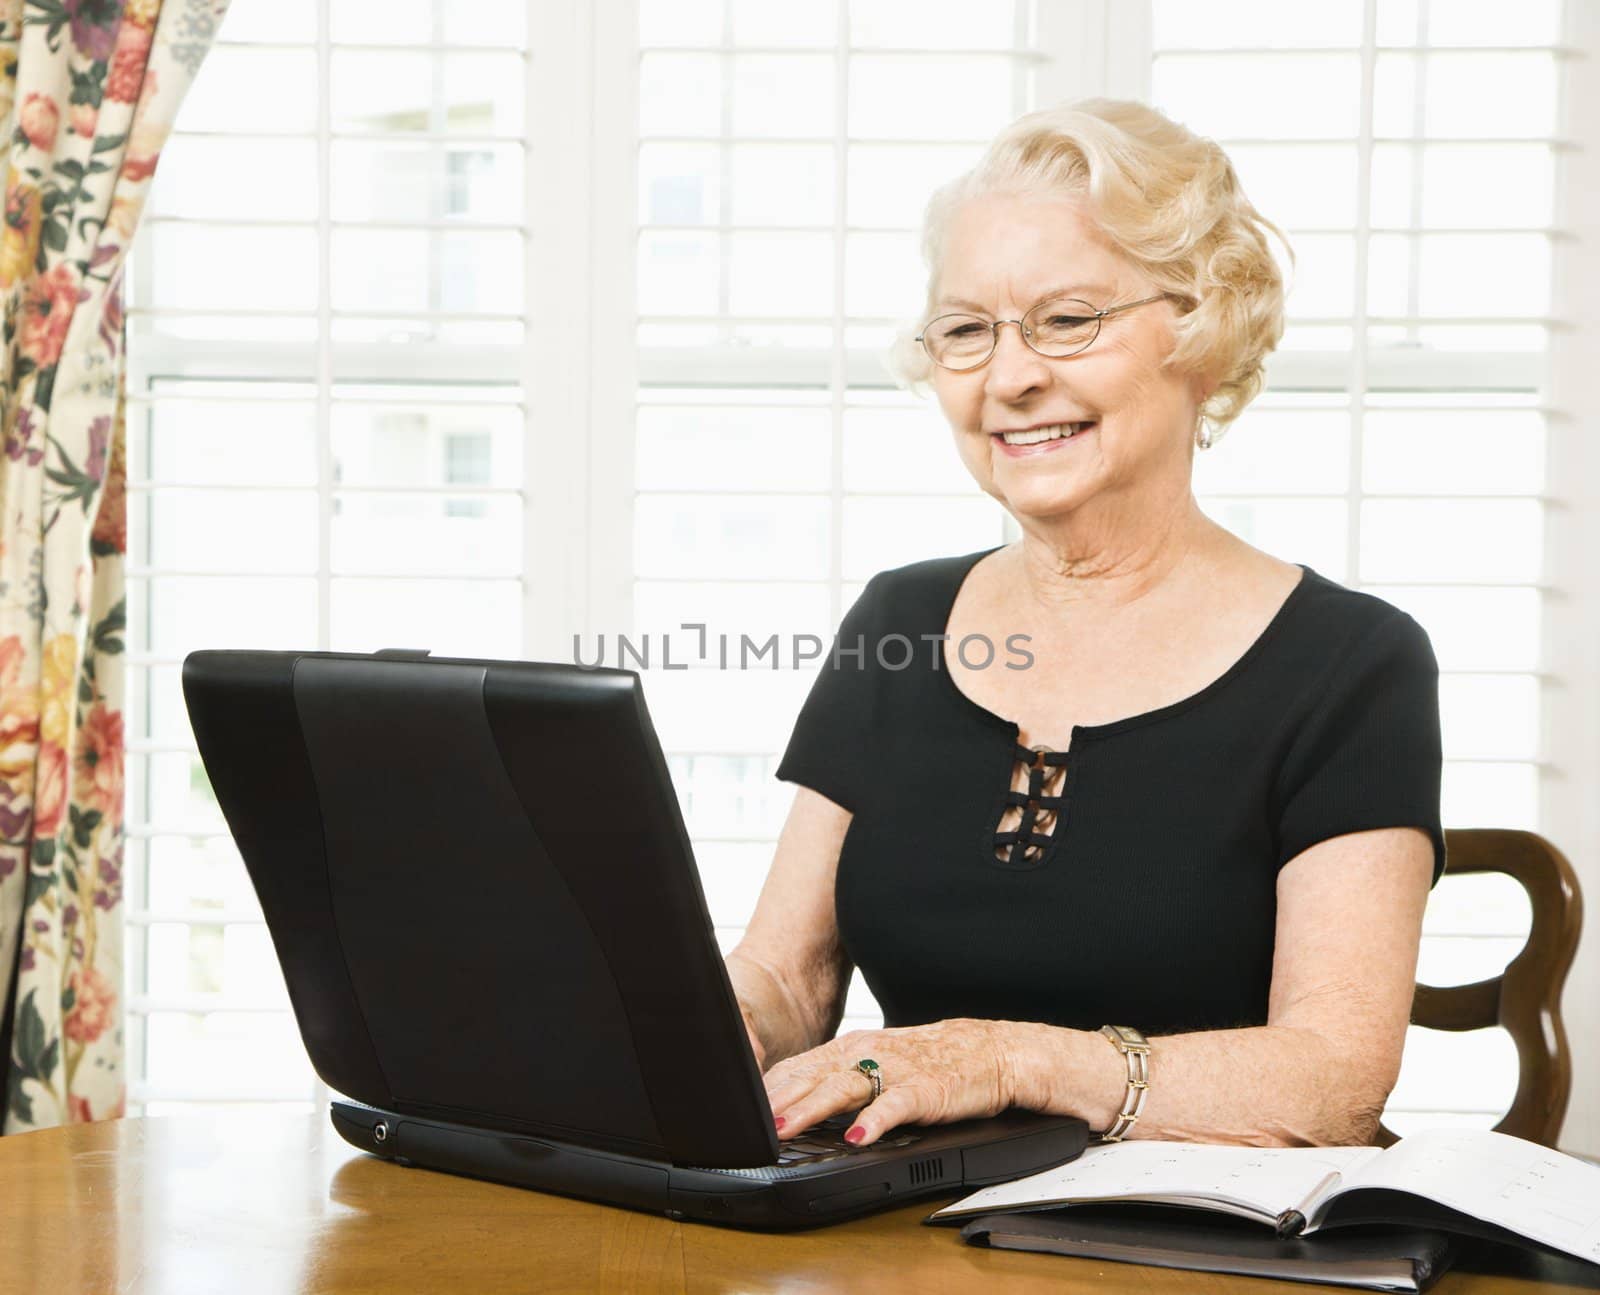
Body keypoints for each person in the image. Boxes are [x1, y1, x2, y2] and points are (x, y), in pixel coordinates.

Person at [723, 99, 1445, 1153]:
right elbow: (786, 979)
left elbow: (1334, 1077)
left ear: (1204, 327)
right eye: (966, 330)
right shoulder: (901, 618)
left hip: (1196, 1252)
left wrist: (1005, 1058)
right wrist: (655, 1029)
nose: (1009, 378)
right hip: (895, 1232)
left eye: (1067, 319)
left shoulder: (1351, 661)